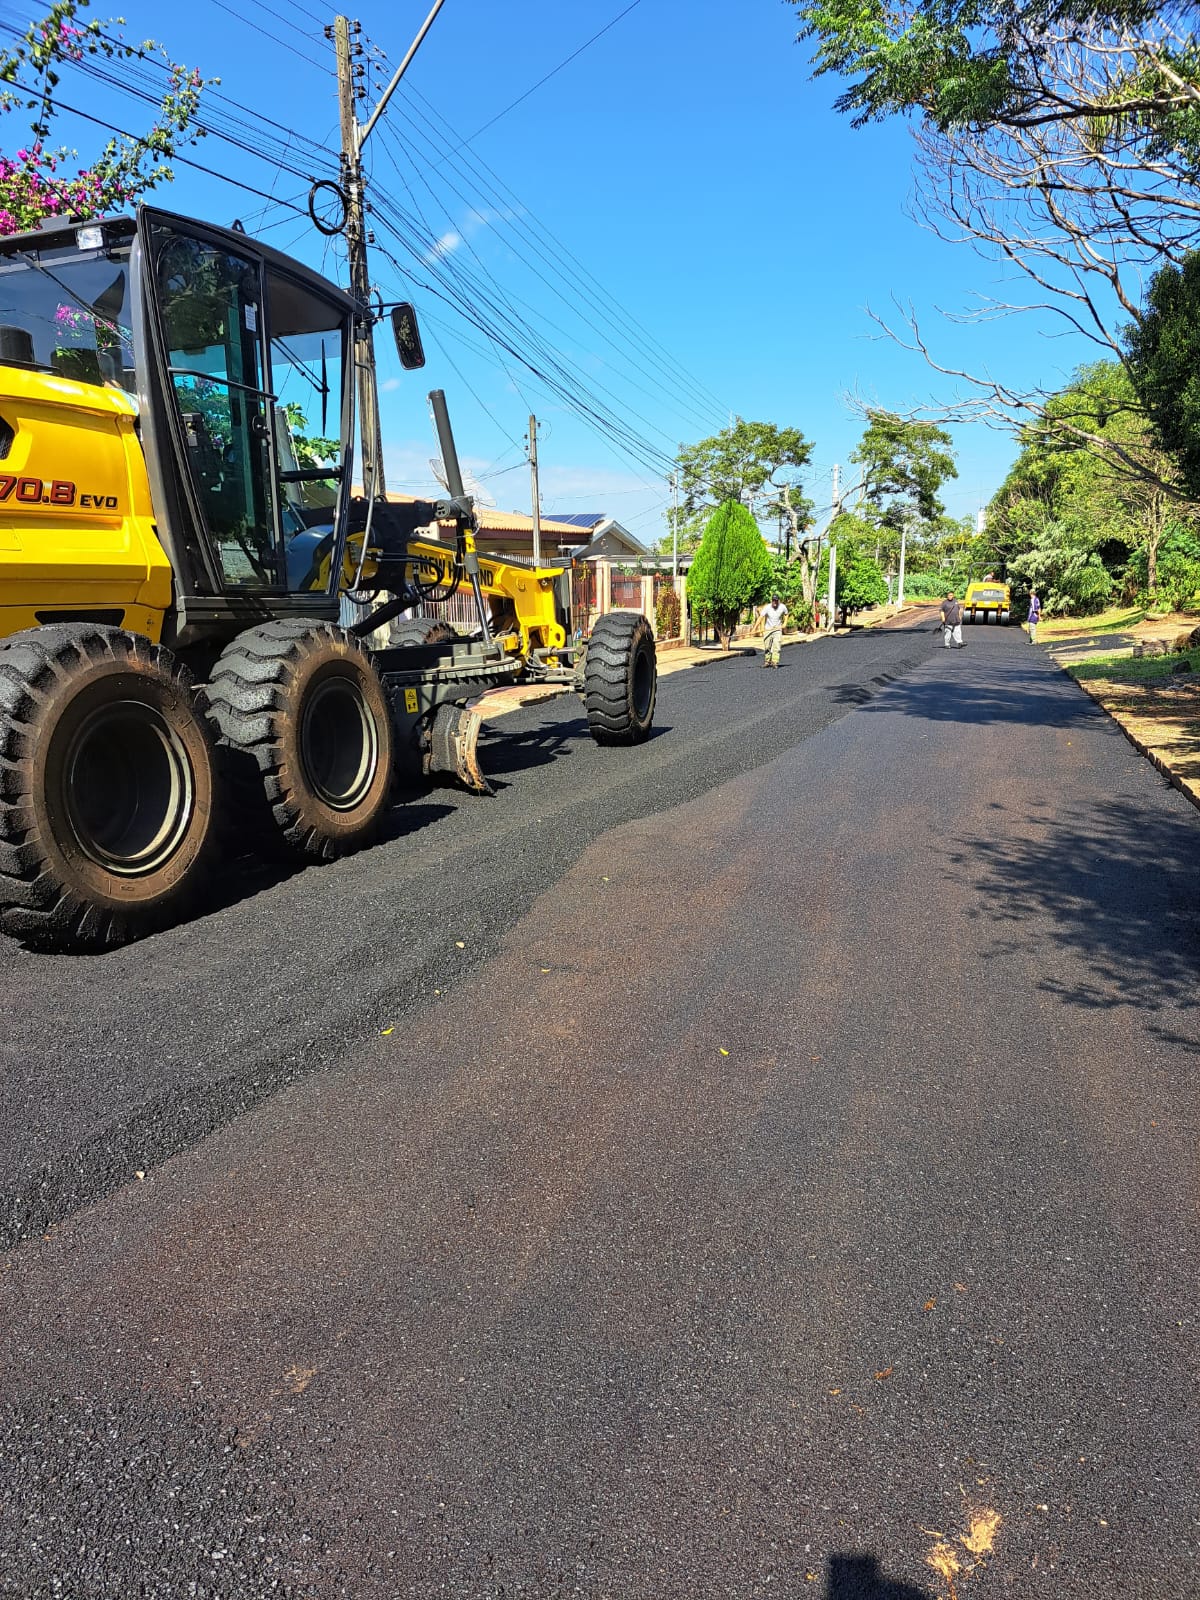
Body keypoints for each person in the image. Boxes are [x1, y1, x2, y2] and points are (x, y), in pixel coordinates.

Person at [760, 593, 788, 668]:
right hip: (768, 629)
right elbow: (761, 617)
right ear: (771, 600)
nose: (774, 602)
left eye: (776, 601)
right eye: (773, 600)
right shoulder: (767, 607)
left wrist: (785, 623)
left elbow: (786, 614)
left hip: (777, 629)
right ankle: (767, 661)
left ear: (778, 601)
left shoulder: (783, 607)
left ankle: (775, 662)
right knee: (767, 647)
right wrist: (759, 628)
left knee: (777, 646)